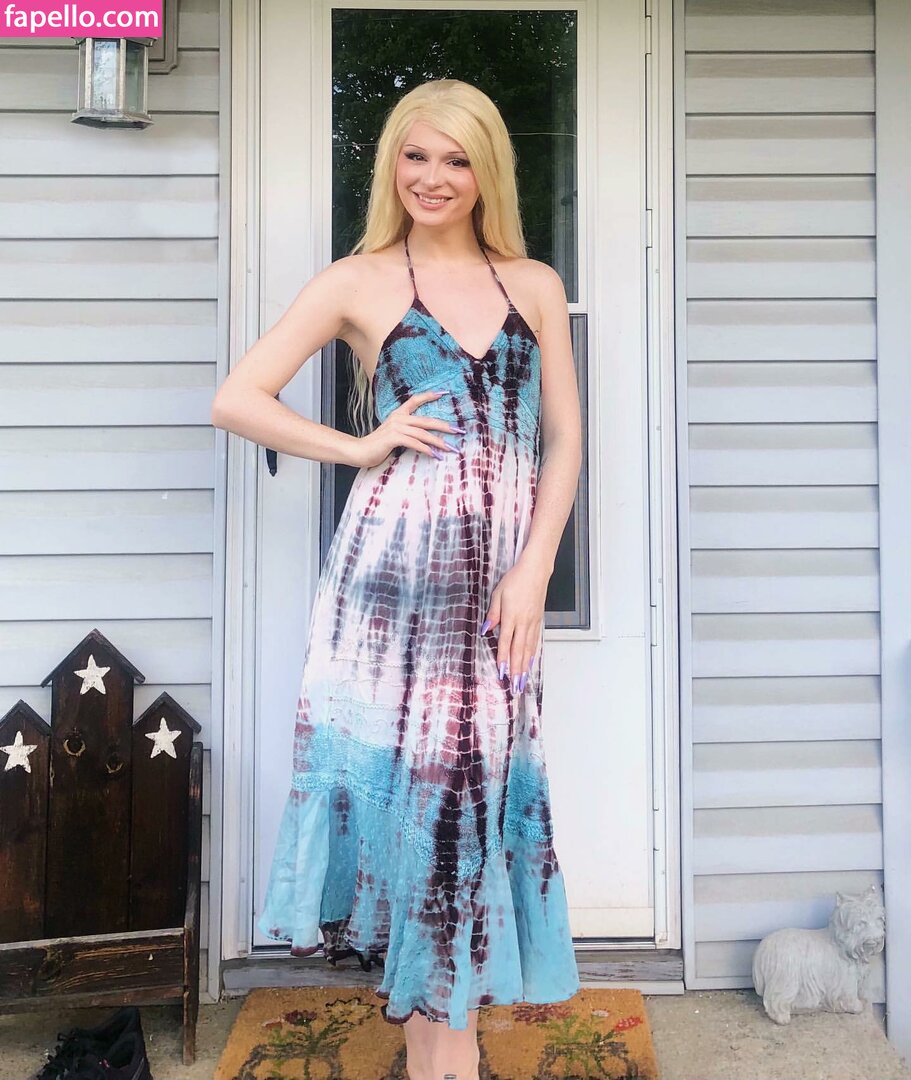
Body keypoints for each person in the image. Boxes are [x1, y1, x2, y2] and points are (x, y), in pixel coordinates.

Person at [212, 77, 583, 1080]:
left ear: (486, 171)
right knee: (422, 802)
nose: (433, 176)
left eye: (456, 159)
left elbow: (562, 437)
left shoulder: (533, 284)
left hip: (498, 589)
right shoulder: (358, 280)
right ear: (391, 165)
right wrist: (358, 444)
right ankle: (440, 1055)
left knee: (472, 791)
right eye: (415, 155)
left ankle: (442, 1042)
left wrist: (536, 567)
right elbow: (237, 398)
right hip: (390, 587)